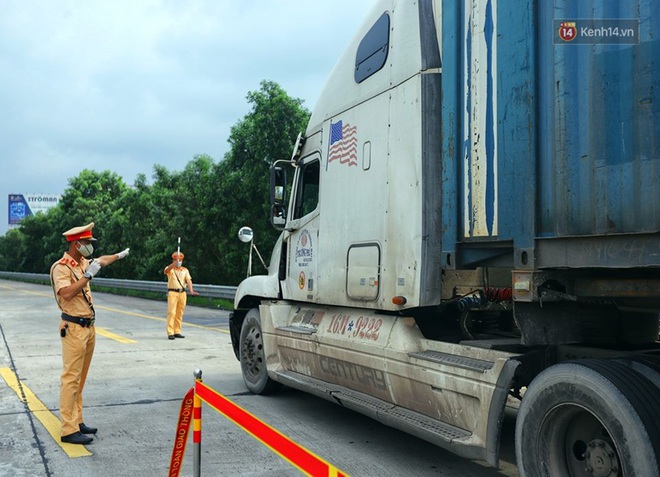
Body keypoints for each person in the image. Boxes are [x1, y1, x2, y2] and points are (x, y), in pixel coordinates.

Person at [49, 222, 130, 445]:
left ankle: (78, 421)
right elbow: (65, 293)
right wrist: (87, 277)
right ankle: (68, 429)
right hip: (73, 328)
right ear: (77, 244)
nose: (90, 247)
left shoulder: (83, 261)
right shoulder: (61, 268)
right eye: (87, 243)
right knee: (70, 379)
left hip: (88, 327)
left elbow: (101, 260)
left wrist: (119, 255)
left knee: (80, 379)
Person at [164, 251, 199, 340]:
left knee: (180, 313)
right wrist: (173, 264)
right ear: (173, 260)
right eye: (177, 260)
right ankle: (170, 332)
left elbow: (189, 280)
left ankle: (177, 331)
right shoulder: (170, 269)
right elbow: (166, 270)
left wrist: (191, 290)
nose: (179, 262)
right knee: (172, 313)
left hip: (182, 293)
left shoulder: (185, 270)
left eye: (180, 260)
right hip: (173, 293)